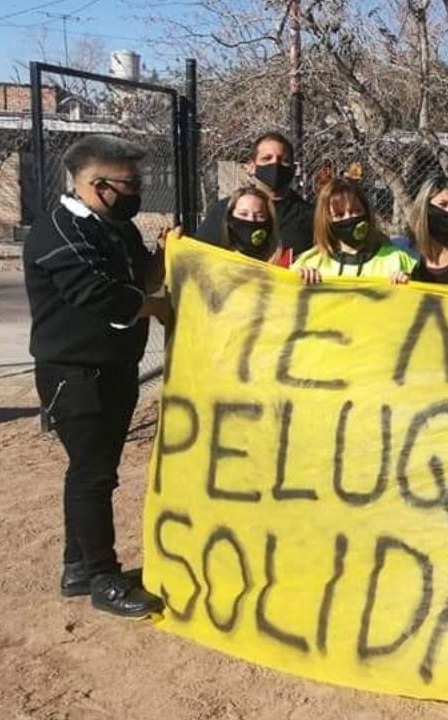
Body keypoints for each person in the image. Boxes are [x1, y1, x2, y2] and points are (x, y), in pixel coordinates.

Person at [23, 134, 168, 619]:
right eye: (130, 183)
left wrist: (163, 258)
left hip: (115, 369)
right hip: (74, 372)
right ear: (97, 184)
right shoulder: (58, 230)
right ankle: (104, 577)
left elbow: (138, 279)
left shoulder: (114, 228)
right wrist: (156, 306)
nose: (138, 190)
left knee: (93, 472)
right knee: (91, 473)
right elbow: (98, 294)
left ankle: (78, 566)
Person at [195, 132, 314, 256]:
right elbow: (197, 256)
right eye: (267, 158)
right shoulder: (226, 210)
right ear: (251, 167)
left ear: (293, 169)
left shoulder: (311, 217)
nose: (275, 165)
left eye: (284, 160)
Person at [292, 178, 415, 282]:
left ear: (367, 212)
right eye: (339, 215)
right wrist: (297, 281)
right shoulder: (310, 263)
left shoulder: (396, 261)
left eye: (356, 211)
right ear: (326, 222)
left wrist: (409, 284)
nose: (350, 218)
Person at [219, 186, 290, 265]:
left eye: (260, 216)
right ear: (230, 218)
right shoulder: (215, 261)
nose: (251, 219)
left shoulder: (284, 263)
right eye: (243, 214)